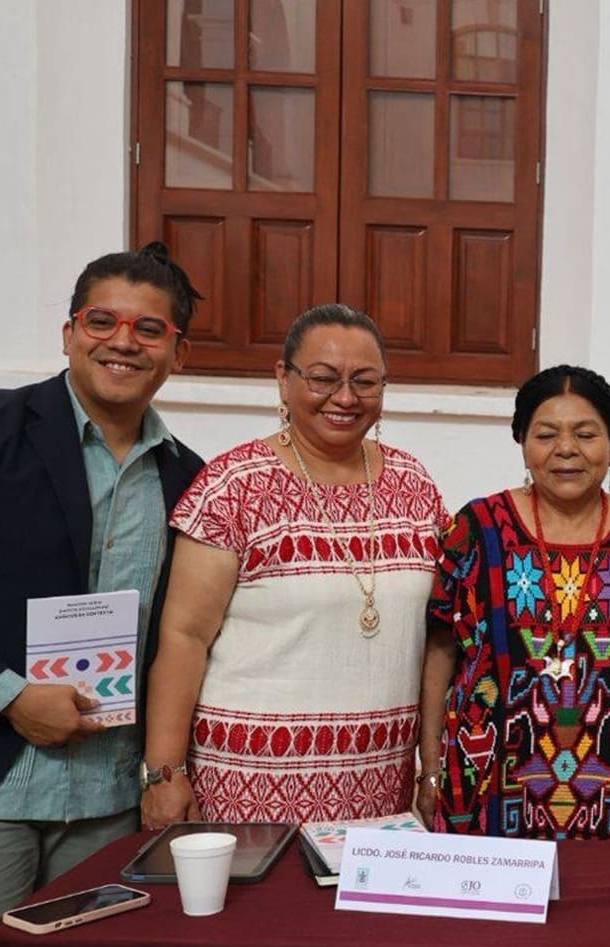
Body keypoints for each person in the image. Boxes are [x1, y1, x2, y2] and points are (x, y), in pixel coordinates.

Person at [0, 243, 205, 947]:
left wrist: (164, 770)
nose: (123, 340)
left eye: (148, 328)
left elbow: (179, 640)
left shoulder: (186, 478)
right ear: (69, 331)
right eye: (103, 320)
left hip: (112, 800)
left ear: (177, 350)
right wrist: (10, 696)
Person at [141, 304, 445, 827]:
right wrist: (164, 773)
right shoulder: (233, 486)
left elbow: (437, 635)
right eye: (323, 378)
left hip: (379, 788)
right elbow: (184, 638)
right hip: (247, 785)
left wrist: (430, 771)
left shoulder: (412, 484)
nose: (345, 398)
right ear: (284, 380)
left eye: (364, 381)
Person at [418, 365, 610, 838]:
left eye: (586, 434)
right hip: (484, 789)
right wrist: (431, 769)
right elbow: (441, 650)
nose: (566, 450)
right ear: (522, 441)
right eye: (546, 434)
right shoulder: (476, 530)